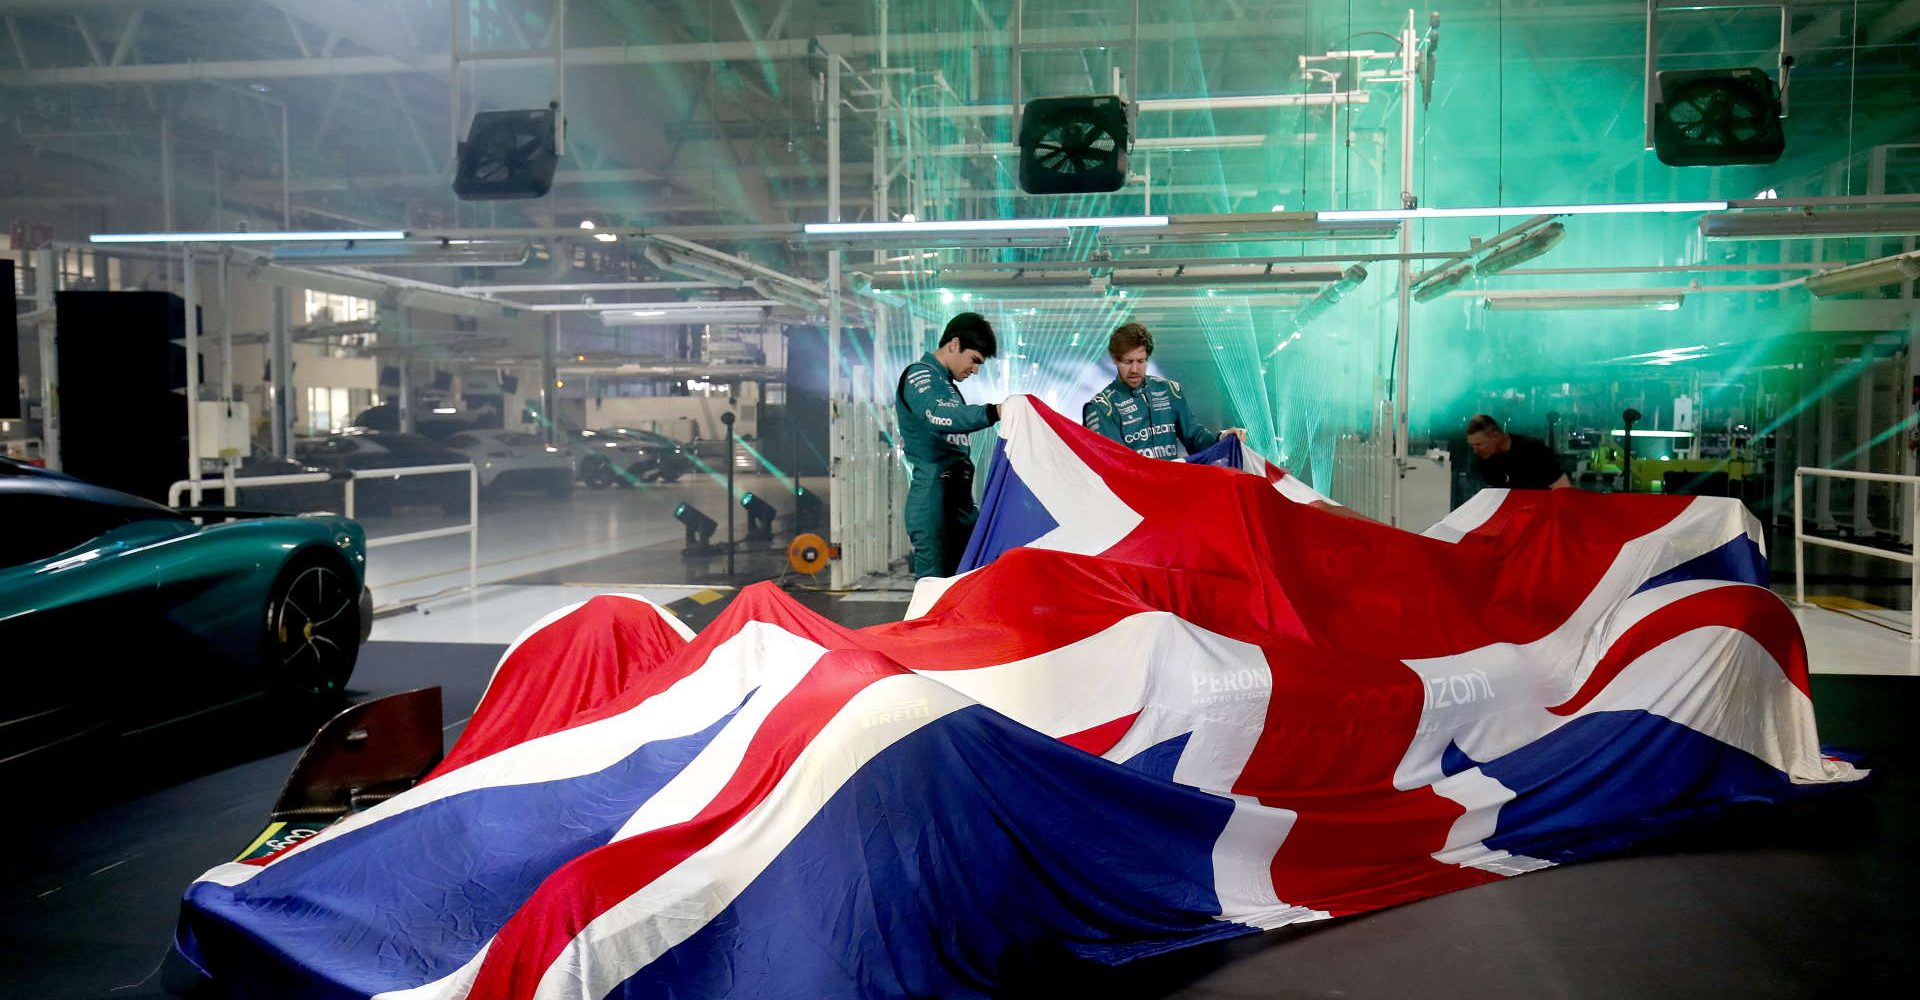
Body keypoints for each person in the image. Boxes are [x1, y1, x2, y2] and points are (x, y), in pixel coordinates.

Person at [895, 312, 1001, 578]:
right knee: (932, 598)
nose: (976, 370)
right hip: (934, 503)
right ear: (954, 344)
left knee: (966, 587)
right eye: (974, 360)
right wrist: (993, 412)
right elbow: (939, 415)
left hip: (960, 502)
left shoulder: (948, 386)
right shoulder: (919, 375)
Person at [1082, 322, 1245, 459]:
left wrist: (1222, 438)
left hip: (1170, 490)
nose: (1134, 369)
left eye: (1140, 361)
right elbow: (1112, 462)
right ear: (1115, 359)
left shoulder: (1170, 391)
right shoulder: (1102, 408)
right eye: (1128, 362)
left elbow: (1196, 439)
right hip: (1130, 494)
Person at [1465, 413, 1571, 490]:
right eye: (1472, 446)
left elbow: (1562, 487)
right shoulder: (1484, 460)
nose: (1475, 451)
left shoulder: (1533, 450)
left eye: (1479, 444)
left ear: (1496, 436)